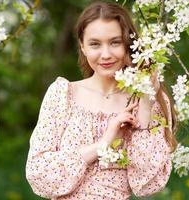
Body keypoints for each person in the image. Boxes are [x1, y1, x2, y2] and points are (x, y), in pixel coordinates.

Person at [25, 1, 177, 199]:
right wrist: (103, 144)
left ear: (128, 44)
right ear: (82, 46)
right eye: (95, 44)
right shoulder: (62, 95)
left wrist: (146, 105)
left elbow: (147, 184)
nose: (106, 54)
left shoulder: (149, 100)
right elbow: (39, 175)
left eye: (115, 42)